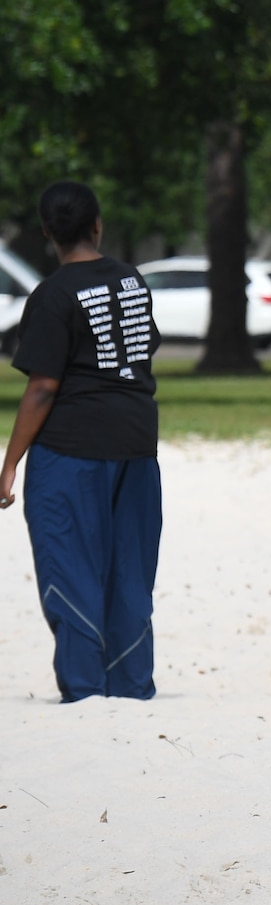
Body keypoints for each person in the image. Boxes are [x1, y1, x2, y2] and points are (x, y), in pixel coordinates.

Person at [1, 182, 164, 702]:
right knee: (129, 569)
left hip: (71, 450)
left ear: (48, 232)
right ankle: (132, 682)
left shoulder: (51, 296)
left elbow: (43, 386)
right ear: (98, 225)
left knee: (70, 567)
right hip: (137, 443)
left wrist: (10, 463)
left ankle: (87, 688)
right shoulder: (132, 281)